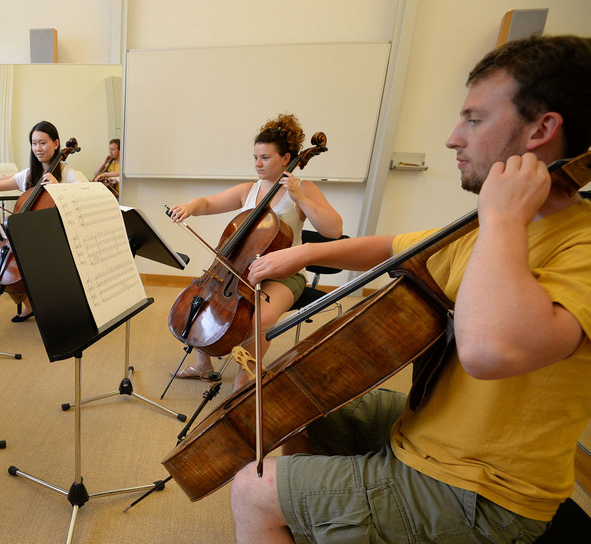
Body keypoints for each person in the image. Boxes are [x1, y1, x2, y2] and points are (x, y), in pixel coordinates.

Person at [230, 35, 591, 544]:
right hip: (425, 431)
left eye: (474, 119)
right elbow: (391, 247)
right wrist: (304, 253)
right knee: (293, 411)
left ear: (541, 130)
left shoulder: (575, 243)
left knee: (251, 490)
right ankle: (326, 518)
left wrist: (504, 217)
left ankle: (305, 509)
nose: (452, 138)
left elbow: (490, 350)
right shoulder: (487, 230)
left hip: (481, 490)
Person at [167, 114, 343, 389]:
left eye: (265, 158)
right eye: (255, 157)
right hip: (242, 270)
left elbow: (333, 230)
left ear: (286, 159)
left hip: (284, 275)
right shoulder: (249, 190)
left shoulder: (304, 189)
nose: (257, 164)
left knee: (261, 318)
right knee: (204, 300)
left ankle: (245, 377)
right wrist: (190, 207)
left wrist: (300, 199)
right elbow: (208, 203)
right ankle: (203, 365)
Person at [0, 120, 86, 322]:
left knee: (30, 264)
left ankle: (56, 306)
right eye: (34, 143)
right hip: (30, 238)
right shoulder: (29, 175)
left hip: (58, 239)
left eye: (43, 143)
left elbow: (89, 197)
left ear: (56, 144)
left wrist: (60, 188)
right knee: (2, 266)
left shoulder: (69, 174)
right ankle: (29, 304)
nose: (38, 148)